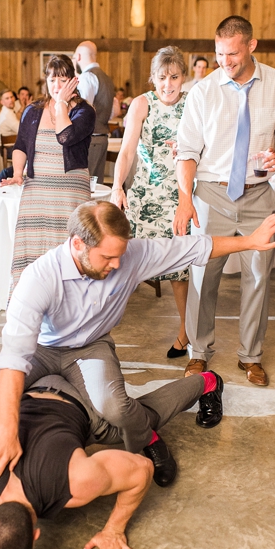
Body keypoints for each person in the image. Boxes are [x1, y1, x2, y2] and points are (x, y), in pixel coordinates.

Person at [0, 201, 275, 488]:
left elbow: (192, 248)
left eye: (120, 255)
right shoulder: (39, 278)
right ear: (77, 244)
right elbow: (15, 359)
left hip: (92, 346)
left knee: (115, 409)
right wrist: (8, 431)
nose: (118, 265)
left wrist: (249, 241)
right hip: (43, 349)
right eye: (107, 257)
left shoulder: (130, 256)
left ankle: (149, 437)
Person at [0, 355, 223, 549]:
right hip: (25, 390)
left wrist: (114, 529)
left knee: (138, 420)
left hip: (77, 398)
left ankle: (207, 383)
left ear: (35, 536)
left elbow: (141, 470)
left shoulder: (75, 483)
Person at [174, 16, 275, 387]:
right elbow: (186, 152)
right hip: (211, 194)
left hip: (259, 195)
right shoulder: (203, 91)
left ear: (252, 46)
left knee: (259, 276)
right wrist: (186, 199)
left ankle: (251, 356)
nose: (224, 61)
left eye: (232, 53)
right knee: (202, 276)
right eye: (218, 54)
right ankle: (198, 352)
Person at [111, 46, 191, 359]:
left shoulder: (192, 104)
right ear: (152, 79)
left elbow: (210, 147)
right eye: (162, 77)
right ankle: (99, 328)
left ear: (183, 77)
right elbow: (127, 150)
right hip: (144, 194)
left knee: (178, 271)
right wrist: (118, 186)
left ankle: (184, 332)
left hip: (180, 195)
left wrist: (187, 146)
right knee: (123, 260)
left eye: (174, 76)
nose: (168, 84)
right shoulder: (143, 103)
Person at [2, 55, 94, 297]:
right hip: (37, 190)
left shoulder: (85, 111)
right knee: (33, 253)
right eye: (52, 80)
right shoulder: (32, 111)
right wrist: (18, 173)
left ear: (73, 82)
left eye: (63, 80)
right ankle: (29, 305)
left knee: (70, 250)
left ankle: (72, 308)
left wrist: (62, 104)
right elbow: (21, 145)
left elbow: (66, 136)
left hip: (70, 192)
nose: (57, 86)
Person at [73, 41, 115, 181]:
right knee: (96, 185)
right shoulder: (106, 78)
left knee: (85, 185)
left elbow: (83, 112)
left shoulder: (87, 77)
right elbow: (112, 110)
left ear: (78, 57)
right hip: (102, 137)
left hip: (90, 139)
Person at [0, 89, 20, 162]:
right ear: (2, 102)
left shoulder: (8, 111)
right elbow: (21, 130)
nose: (11, 100)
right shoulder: (7, 115)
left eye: (12, 97)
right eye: (7, 98)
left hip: (10, 147)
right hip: (8, 149)